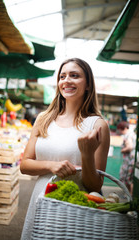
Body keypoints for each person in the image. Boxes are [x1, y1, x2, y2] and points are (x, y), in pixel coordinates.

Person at [20, 58, 110, 240]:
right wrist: (51, 166)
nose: (66, 80)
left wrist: (86, 155)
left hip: (74, 207)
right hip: (41, 197)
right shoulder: (43, 119)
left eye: (74, 76)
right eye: (62, 76)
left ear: (88, 85)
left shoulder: (97, 125)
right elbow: (25, 165)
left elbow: (95, 185)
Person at [117, 121, 136, 195]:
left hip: (130, 161)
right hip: (130, 160)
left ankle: (130, 195)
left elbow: (130, 147)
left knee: (128, 179)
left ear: (125, 128)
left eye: (121, 130)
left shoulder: (128, 135)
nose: (120, 132)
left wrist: (122, 150)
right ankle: (129, 194)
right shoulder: (132, 134)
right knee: (127, 178)